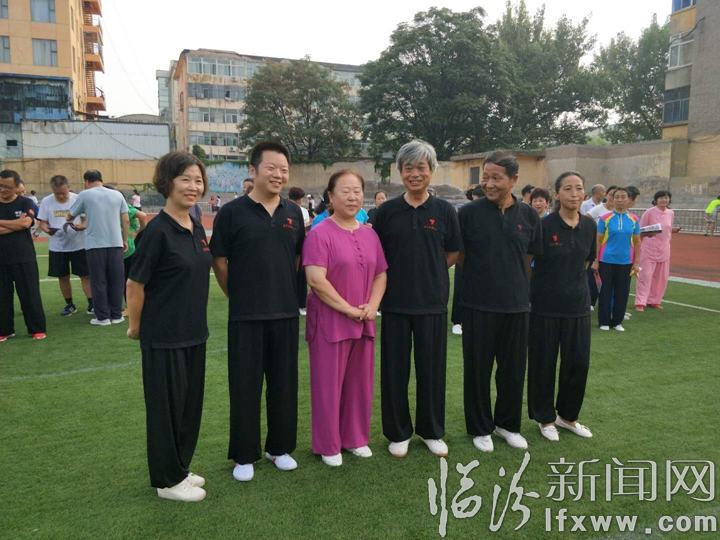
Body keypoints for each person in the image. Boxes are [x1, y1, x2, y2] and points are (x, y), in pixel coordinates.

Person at [210, 141, 305, 482]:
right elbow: (219, 260)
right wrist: (236, 294)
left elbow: (297, 258)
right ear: (253, 170)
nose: (278, 175)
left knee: (284, 384)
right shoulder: (232, 212)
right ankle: (244, 454)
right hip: (246, 314)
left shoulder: (294, 214)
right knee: (245, 385)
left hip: (285, 313)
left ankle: (279, 448)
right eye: (271, 168)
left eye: (284, 169)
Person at [126, 151, 212, 502]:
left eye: (198, 180)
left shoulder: (196, 226)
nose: (193, 186)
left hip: (194, 333)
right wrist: (135, 326)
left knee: (189, 408)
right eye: (185, 179)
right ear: (167, 183)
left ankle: (179, 468)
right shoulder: (157, 231)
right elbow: (135, 284)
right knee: (166, 411)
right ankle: (166, 481)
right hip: (163, 336)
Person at [373, 140, 462, 458]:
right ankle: (398, 433)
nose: (414, 174)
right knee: (394, 371)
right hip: (395, 303)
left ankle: (431, 431)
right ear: (400, 172)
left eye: (421, 167)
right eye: (408, 168)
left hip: (432, 302)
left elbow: (452, 252)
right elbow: (376, 256)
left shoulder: (445, 210)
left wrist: (430, 271)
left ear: (431, 171)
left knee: (431, 371)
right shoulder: (386, 212)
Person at [458, 151, 542, 452]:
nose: (489, 184)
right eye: (486, 177)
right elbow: (461, 256)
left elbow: (529, 258)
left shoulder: (529, 216)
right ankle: (480, 427)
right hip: (477, 304)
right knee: (477, 370)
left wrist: (515, 286)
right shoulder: (468, 214)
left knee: (513, 370)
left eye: (496, 178)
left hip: (517, 305)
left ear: (514, 180)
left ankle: (507, 425)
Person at [303, 170, 388, 466]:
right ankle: (328, 445)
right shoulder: (320, 232)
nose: (352, 197)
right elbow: (316, 279)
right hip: (330, 322)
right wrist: (349, 309)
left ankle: (355, 439)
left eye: (357, 191)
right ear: (330, 196)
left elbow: (380, 274)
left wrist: (372, 305)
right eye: (345, 191)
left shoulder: (369, 234)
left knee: (359, 384)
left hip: (364, 320)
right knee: (328, 386)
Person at [528, 172, 596, 442]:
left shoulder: (589, 226)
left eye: (578, 188)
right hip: (544, 306)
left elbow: (587, 262)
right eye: (567, 189)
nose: (574, 194)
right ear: (556, 194)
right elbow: (529, 264)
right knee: (543, 364)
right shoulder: (544, 226)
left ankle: (567, 417)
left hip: (578, 306)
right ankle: (545, 418)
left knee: (578, 364)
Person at [67, 170, 129, 326]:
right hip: (115, 243)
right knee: (117, 280)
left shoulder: (85, 195)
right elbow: (126, 219)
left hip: (95, 245)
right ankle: (116, 314)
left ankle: (102, 317)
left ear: (87, 181)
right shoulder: (117, 194)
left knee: (98, 280)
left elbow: (70, 215)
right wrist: (124, 239)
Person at [0, 170, 47, 341]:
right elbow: (20, 224)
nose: (3, 189)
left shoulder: (25, 202)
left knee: (30, 294)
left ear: (16, 187)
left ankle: (37, 328)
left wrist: (8, 224)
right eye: (0, 186)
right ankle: (5, 330)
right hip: (1, 258)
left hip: (24, 256)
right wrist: (16, 224)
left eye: (7, 187)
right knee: (2, 297)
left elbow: (26, 223)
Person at [37, 175, 93, 317]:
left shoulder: (78, 199)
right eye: (57, 193)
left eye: (63, 192)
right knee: (62, 277)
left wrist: (82, 226)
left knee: (85, 275)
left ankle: (92, 303)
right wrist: (47, 230)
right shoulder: (46, 201)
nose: (61, 196)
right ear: (52, 190)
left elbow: (86, 219)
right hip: (58, 246)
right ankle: (69, 304)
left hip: (79, 245)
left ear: (68, 187)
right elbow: (42, 222)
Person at [592, 187, 641, 331]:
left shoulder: (634, 219)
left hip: (626, 261)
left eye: (623, 197)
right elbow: (598, 240)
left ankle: (617, 322)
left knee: (622, 292)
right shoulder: (605, 218)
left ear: (628, 200)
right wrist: (596, 260)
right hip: (606, 260)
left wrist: (636, 262)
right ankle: (604, 322)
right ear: (612, 199)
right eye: (617, 197)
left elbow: (637, 242)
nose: (620, 200)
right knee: (605, 291)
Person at [635, 191, 681, 311]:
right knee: (645, 276)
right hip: (649, 249)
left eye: (666, 198)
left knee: (661, 277)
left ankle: (654, 300)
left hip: (664, 249)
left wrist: (673, 230)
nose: (664, 200)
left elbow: (667, 228)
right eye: (661, 198)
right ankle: (640, 302)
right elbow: (640, 230)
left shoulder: (670, 213)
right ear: (656, 200)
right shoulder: (649, 212)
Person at [451, 186, 484, 336]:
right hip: (464, 258)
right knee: (460, 289)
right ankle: (457, 321)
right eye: (475, 199)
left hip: (482, 261)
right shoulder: (465, 213)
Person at [288, 186, 312, 316]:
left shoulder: (303, 211)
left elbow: (305, 228)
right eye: (296, 202)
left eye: (299, 202)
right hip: (288, 247)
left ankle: (301, 305)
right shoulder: (283, 210)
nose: (298, 204)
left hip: (300, 246)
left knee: (300, 276)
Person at [122, 204, 148, 316]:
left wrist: (138, 232)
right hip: (121, 248)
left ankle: (131, 307)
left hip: (128, 249)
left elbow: (143, 216)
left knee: (129, 279)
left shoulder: (125, 207)